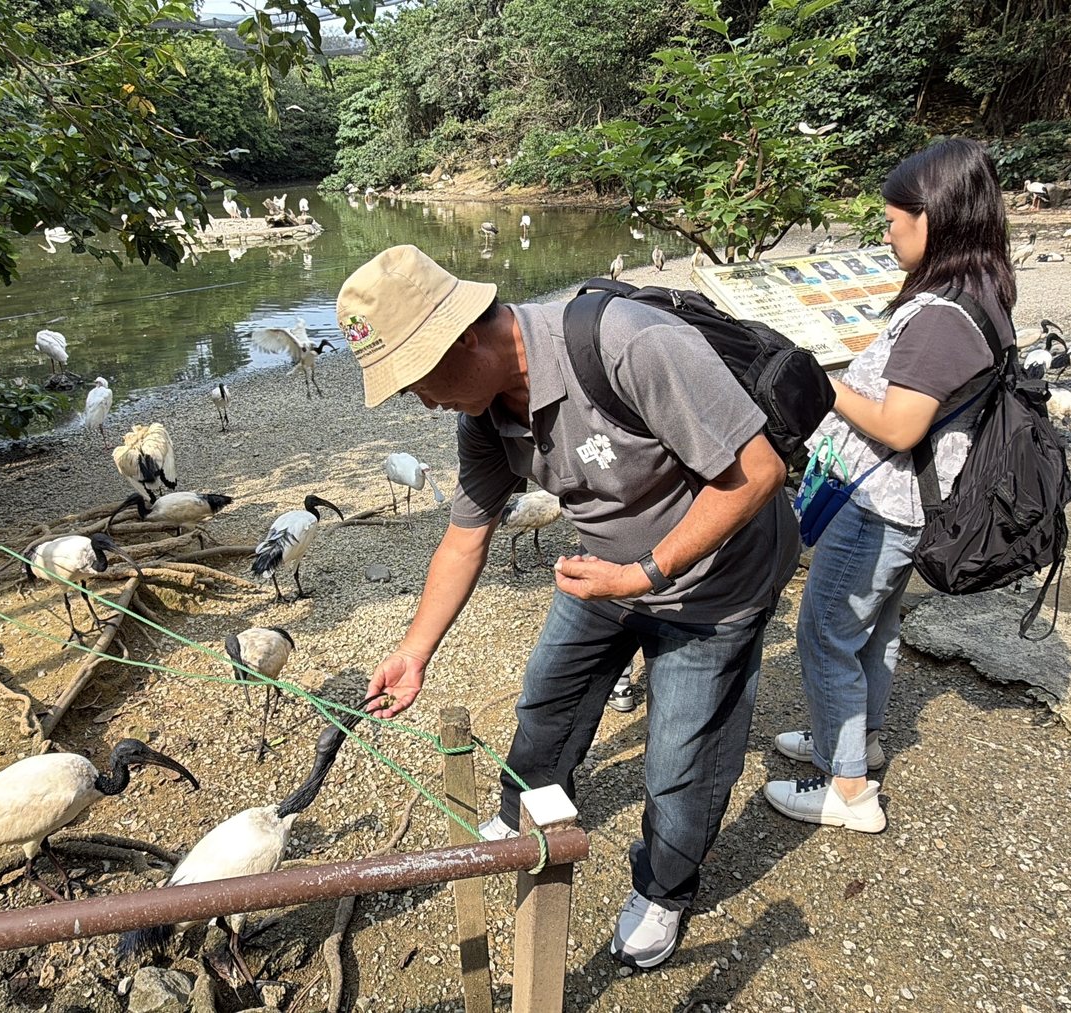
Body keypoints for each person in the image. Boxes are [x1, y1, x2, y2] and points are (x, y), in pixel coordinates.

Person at [335, 244, 797, 969]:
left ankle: (665, 889)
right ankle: (527, 818)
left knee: (680, 760)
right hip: (605, 575)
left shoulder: (628, 346)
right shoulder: (484, 417)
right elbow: (463, 540)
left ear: (461, 337)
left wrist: (647, 572)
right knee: (546, 699)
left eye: (416, 381)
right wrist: (413, 650)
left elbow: (758, 471)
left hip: (713, 584)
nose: (421, 402)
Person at [763, 138, 1017, 833]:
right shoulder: (982, 292)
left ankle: (847, 789)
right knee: (873, 634)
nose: (885, 231)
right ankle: (858, 738)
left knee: (825, 632)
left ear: (932, 217)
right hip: (905, 504)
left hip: (882, 503)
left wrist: (823, 383)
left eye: (893, 219)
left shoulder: (941, 316)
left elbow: (900, 426)